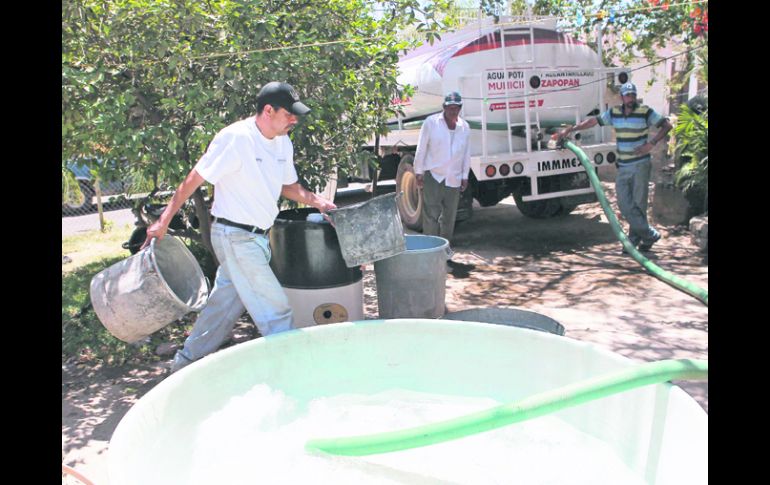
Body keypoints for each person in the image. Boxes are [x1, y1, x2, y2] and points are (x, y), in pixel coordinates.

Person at [141, 81, 337, 373]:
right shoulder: (236, 138)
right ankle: (297, 374)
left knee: (222, 308)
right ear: (268, 111)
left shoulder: (283, 141)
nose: (294, 120)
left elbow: (289, 186)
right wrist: (163, 221)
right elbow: (195, 179)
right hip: (234, 236)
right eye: (289, 114)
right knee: (275, 310)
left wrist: (320, 202)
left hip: (257, 238)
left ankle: (184, 363)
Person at [552, 82, 672, 254]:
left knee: (638, 204)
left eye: (632, 95)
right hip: (623, 166)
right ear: (622, 97)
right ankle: (649, 234)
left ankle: (635, 239)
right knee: (624, 203)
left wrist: (651, 144)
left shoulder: (645, 112)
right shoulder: (614, 113)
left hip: (640, 164)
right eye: (627, 95)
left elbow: (667, 125)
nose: (630, 98)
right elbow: (594, 121)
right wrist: (572, 129)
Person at [413, 91, 471, 256]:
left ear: (460, 108)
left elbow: (466, 153)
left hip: (454, 178)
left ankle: (444, 250)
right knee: (431, 215)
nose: (453, 111)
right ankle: (430, 251)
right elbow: (422, 148)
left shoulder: (464, 127)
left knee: (449, 218)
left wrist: (465, 176)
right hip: (434, 175)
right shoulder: (431, 123)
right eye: (450, 107)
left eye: (456, 108)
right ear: (444, 107)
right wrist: (419, 172)